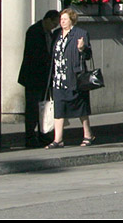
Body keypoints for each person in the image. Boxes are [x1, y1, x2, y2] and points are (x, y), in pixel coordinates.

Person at [46, 8, 94, 148]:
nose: (62, 21)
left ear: (72, 20)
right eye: (61, 19)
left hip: (74, 77)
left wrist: (81, 49)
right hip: (59, 77)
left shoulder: (80, 33)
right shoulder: (56, 34)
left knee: (81, 108)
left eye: (65, 19)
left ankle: (88, 134)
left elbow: (88, 55)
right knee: (59, 108)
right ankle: (58, 139)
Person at [18, 9, 59, 148]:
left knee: (43, 107)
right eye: (54, 23)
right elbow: (34, 54)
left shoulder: (49, 33)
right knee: (32, 108)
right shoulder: (34, 31)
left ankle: (43, 134)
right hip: (33, 76)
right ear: (48, 20)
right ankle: (30, 136)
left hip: (44, 77)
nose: (55, 26)